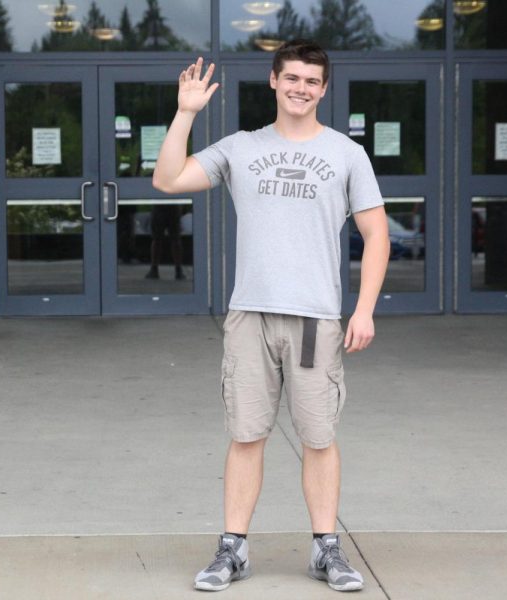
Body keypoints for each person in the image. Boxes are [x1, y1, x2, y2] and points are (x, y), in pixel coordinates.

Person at [152, 40, 389, 593]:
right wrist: (186, 113)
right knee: (246, 434)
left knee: (319, 438)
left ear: (323, 89)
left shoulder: (346, 154)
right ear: (274, 81)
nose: (301, 88)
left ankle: (325, 549)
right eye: (292, 78)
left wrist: (365, 309)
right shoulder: (241, 148)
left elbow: (376, 233)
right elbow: (168, 179)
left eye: (312, 80)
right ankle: (233, 549)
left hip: (315, 320)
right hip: (250, 317)